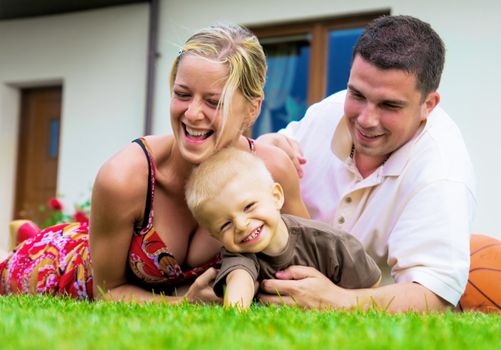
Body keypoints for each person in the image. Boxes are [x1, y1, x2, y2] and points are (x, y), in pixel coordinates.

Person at [0, 23, 309, 302]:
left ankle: (30, 231)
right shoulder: (125, 178)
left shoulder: (270, 171)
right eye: (183, 95)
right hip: (64, 271)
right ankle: (27, 241)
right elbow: (108, 291)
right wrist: (184, 303)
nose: (192, 114)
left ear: (253, 109)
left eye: (214, 102)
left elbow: (310, 255)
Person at [257, 15, 476, 312]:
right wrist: (262, 149)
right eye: (356, 94)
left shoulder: (442, 171)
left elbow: (432, 294)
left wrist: (336, 299)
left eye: (389, 105)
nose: (365, 119)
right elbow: (263, 165)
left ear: (429, 105)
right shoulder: (327, 113)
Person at [185, 147, 381, 310]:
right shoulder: (238, 254)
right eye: (226, 224)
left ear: (276, 197)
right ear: (215, 235)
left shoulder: (331, 243)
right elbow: (239, 279)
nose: (241, 225)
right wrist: (235, 316)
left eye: (248, 207)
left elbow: (372, 290)